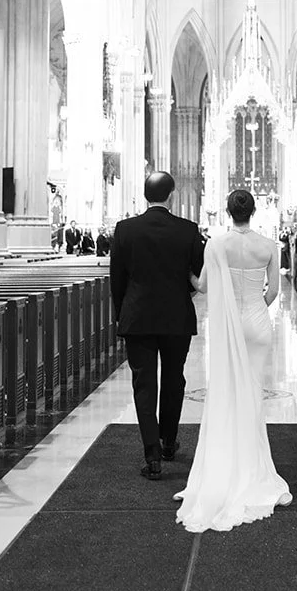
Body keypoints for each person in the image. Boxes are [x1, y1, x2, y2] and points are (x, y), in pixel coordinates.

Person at [175, 188, 292, 532]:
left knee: (226, 393)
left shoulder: (217, 244)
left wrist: (184, 273)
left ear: (227, 212)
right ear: (253, 211)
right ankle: (253, 468)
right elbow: (273, 291)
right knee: (252, 392)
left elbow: (203, 286)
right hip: (257, 323)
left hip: (229, 327)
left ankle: (225, 469)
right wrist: (255, 309)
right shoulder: (269, 245)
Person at [110, 172, 206, 481]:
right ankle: (168, 442)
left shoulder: (125, 230)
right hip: (176, 317)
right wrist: (180, 292)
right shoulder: (187, 230)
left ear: (144, 194)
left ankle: (151, 454)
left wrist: (121, 314)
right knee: (174, 378)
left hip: (137, 317)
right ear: (172, 195)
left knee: (144, 383)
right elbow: (198, 274)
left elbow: (117, 280)